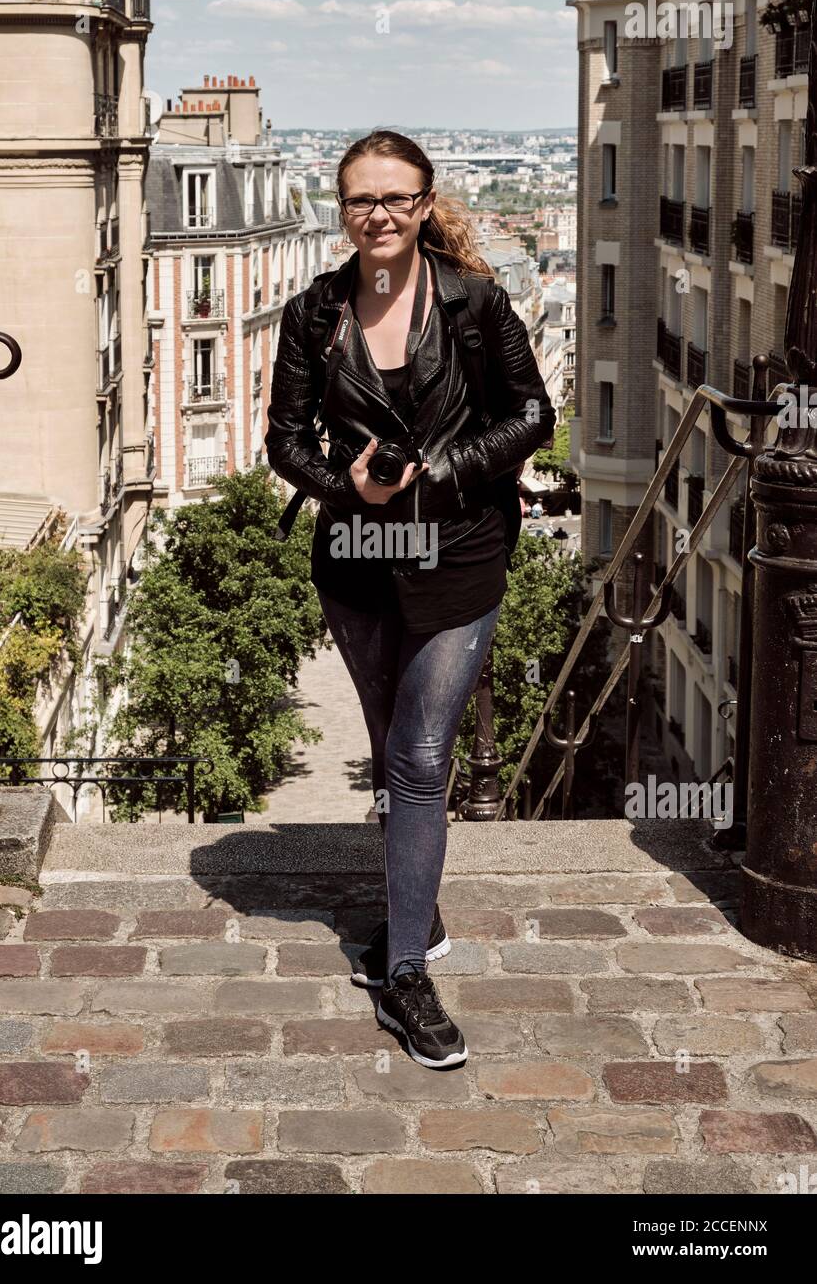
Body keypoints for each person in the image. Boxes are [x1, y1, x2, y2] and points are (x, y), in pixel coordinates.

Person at [265, 129, 554, 1068]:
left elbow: (532, 414)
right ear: (341, 210)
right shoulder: (315, 313)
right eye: (361, 201)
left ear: (425, 204)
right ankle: (412, 904)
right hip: (355, 554)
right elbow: (284, 440)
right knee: (393, 744)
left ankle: (404, 976)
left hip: (462, 549)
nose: (379, 215)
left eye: (397, 198)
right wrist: (351, 486)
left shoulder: (475, 301)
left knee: (422, 758)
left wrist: (439, 475)